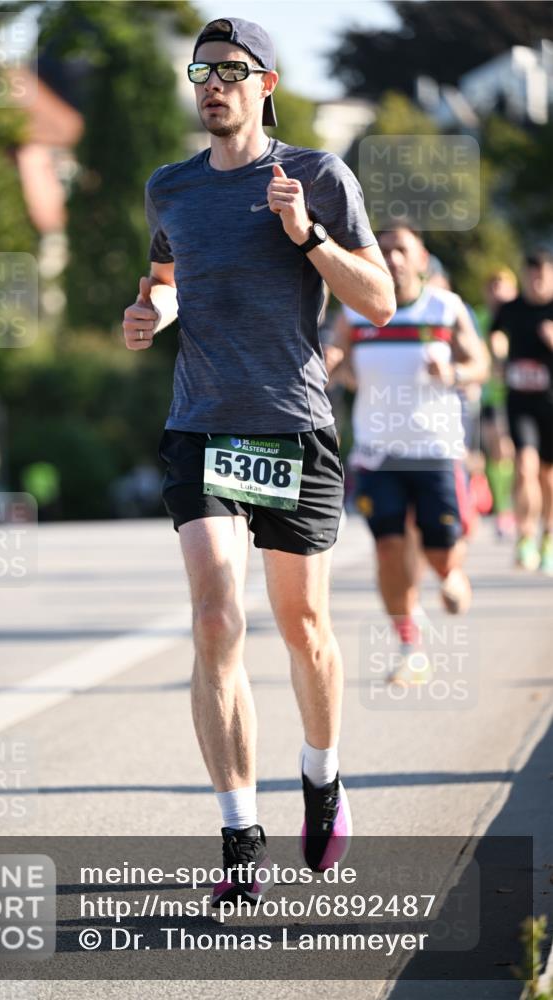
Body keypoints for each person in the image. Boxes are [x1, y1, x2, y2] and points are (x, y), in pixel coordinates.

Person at [122, 17, 395, 904]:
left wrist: (308, 236)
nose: (214, 85)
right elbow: (162, 283)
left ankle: (321, 774)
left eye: (232, 71)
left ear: (265, 83)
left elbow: (380, 301)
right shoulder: (171, 188)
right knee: (213, 619)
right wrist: (149, 318)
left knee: (303, 631)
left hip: (291, 427)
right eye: (202, 70)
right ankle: (239, 830)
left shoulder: (316, 174)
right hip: (202, 425)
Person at [329, 223, 489, 683]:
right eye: (384, 250)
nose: (393, 258)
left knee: (440, 556)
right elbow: (335, 352)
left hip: (435, 450)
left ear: (421, 259)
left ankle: (449, 571)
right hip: (377, 453)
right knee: (388, 547)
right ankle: (409, 645)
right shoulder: (357, 311)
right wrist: (330, 364)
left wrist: (455, 372)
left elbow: (480, 364)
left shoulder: (445, 307)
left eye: (402, 250)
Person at [490, 250, 553, 573]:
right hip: (520, 402)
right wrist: (498, 353)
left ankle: (548, 537)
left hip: (550, 403)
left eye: (543, 274)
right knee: (526, 467)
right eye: (532, 274)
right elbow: (495, 332)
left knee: (548, 477)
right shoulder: (512, 308)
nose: (537, 280)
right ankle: (525, 536)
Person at [476, 268, 518, 538]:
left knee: (513, 455)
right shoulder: (479, 317)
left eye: (502, 286)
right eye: (493, 286)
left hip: (518, 395)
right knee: (496, 450)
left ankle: (512, 506)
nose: (497, 292)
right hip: (488, 395)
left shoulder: (520, 316)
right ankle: (504, 510)